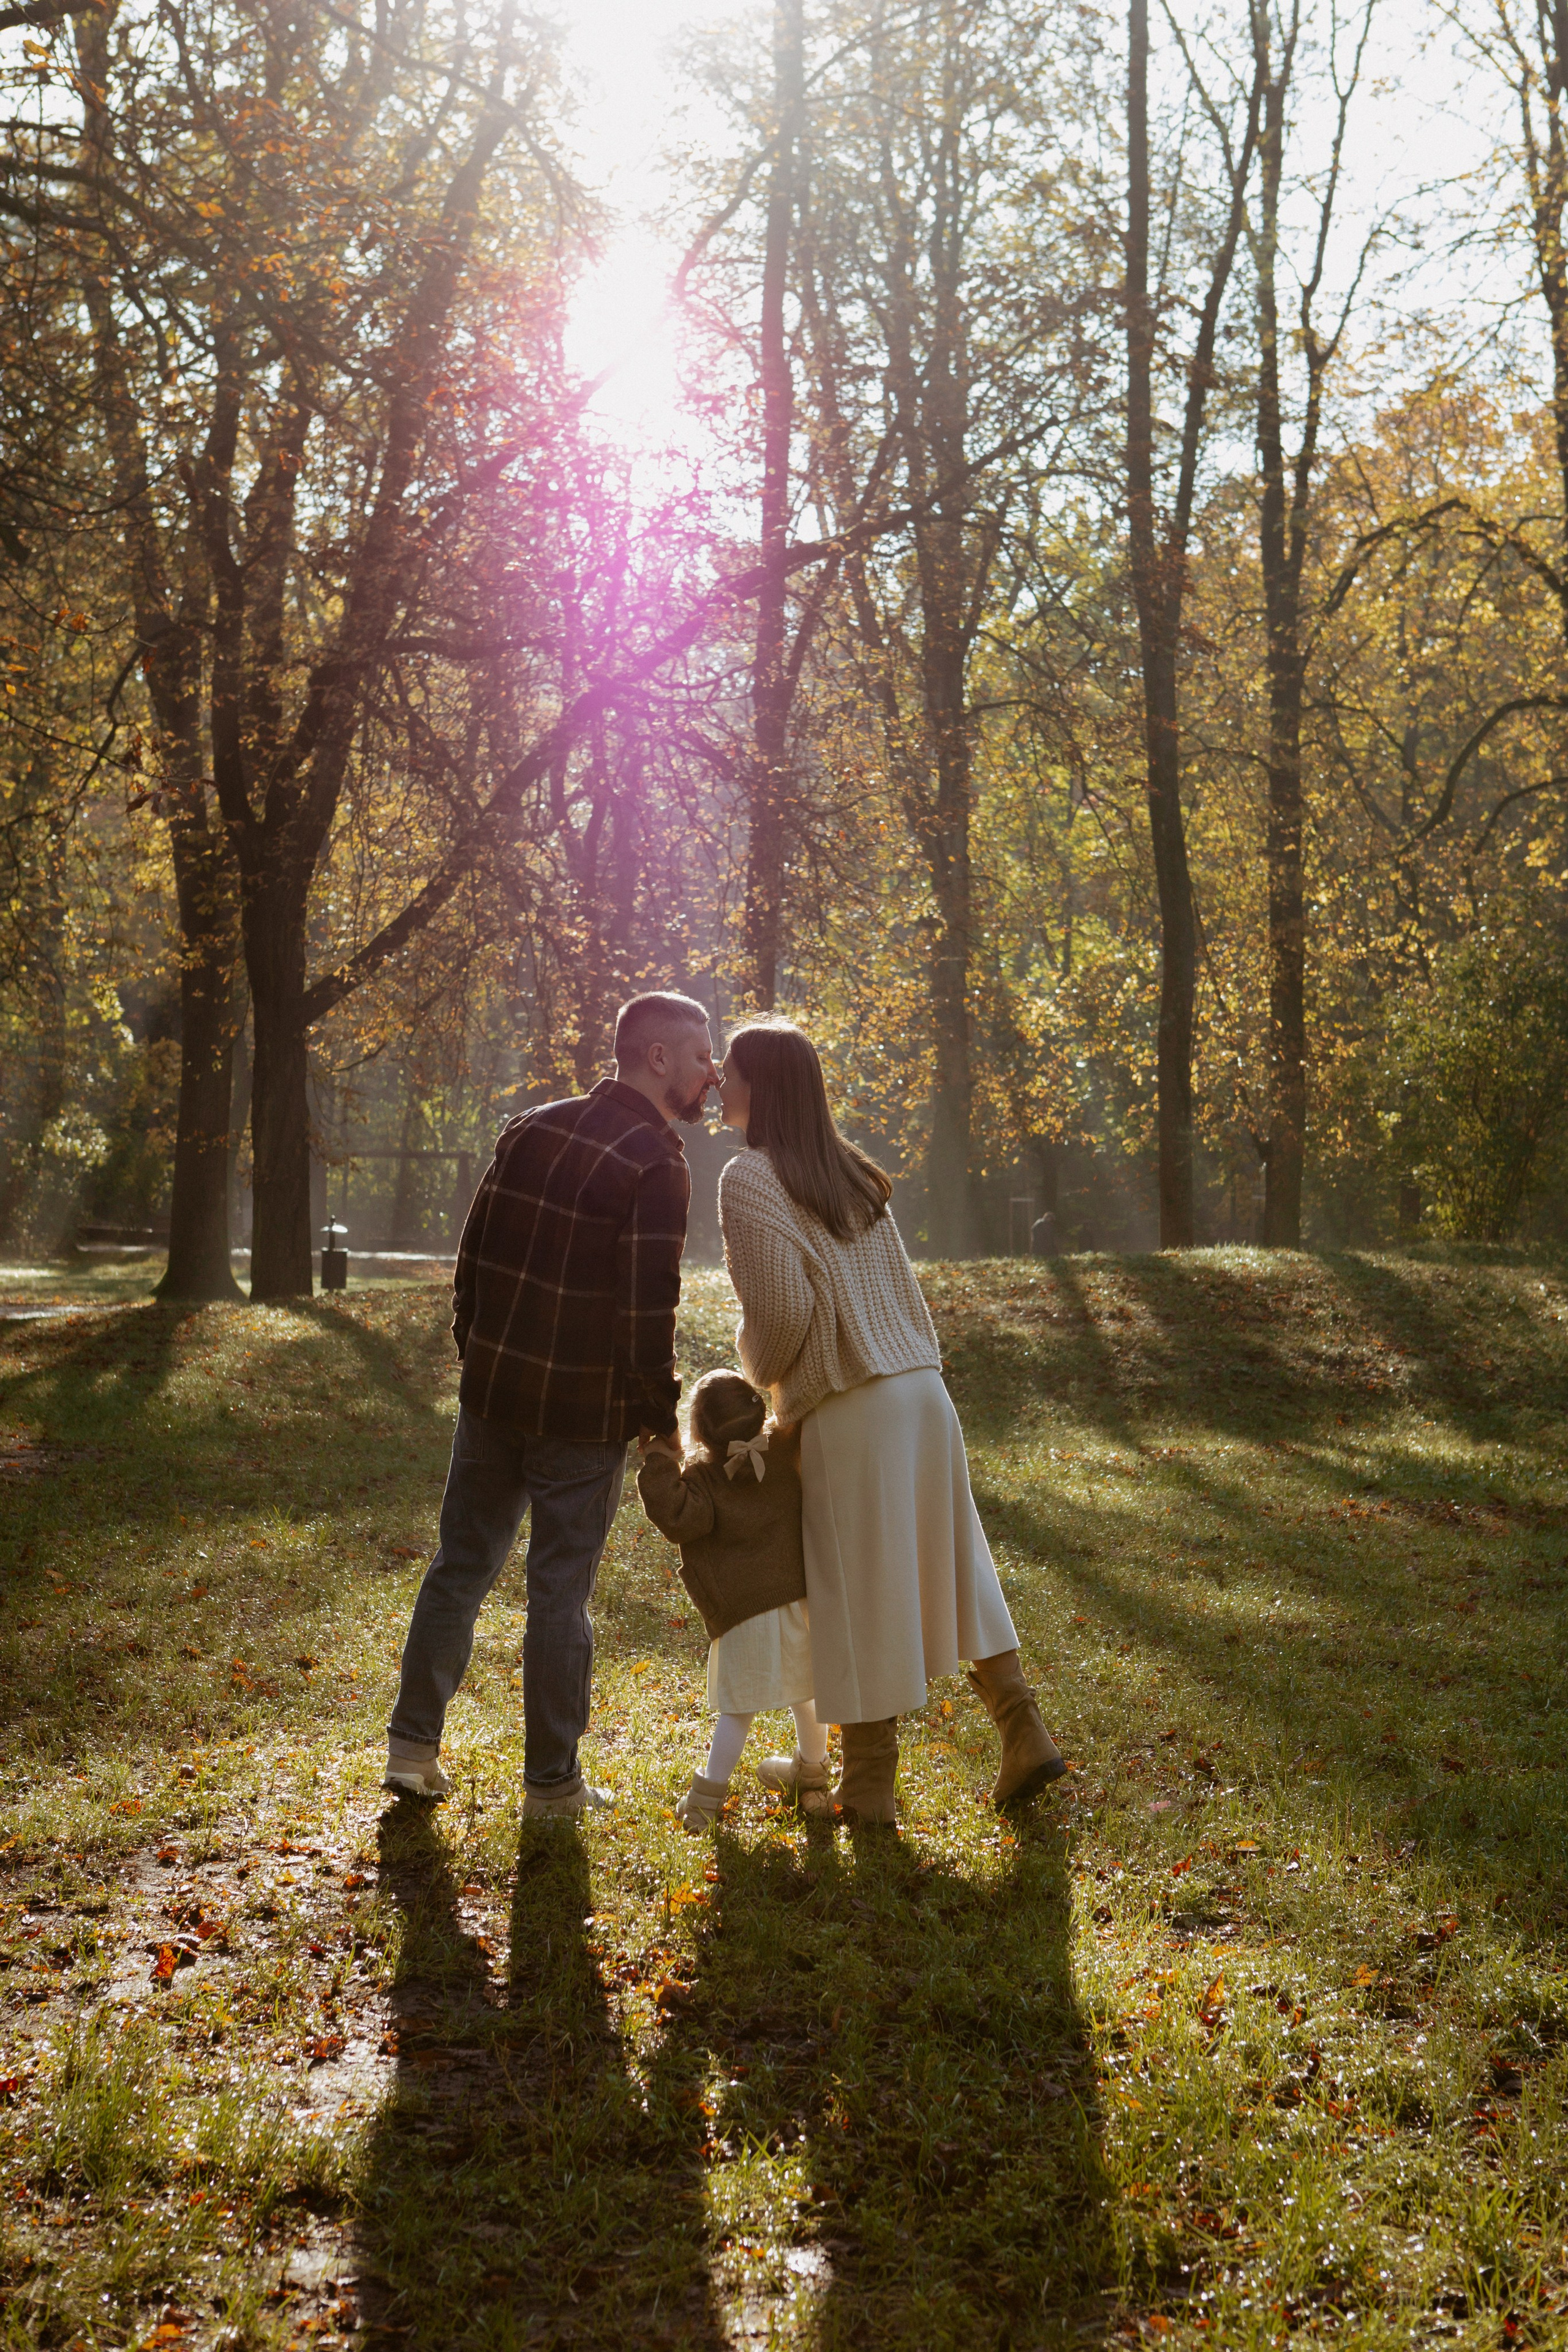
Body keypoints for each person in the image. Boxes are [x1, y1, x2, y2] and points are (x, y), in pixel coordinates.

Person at [715, 1020, 1067, 1823]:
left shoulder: (750, 1177)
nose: (719, 1084)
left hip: (853, 1407)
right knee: (956, 1564)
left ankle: (868, 1787)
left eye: (730, 1071)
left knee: (854, 1586)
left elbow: (780, 1315)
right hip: (920, 1394)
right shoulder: (847, 1172)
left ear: (761, 1085)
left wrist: (755, 1372)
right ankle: (1024, 1731)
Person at [382, 992, 718, 1817]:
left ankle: (411, 1749)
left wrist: (478, 1353)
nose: (715, 1071)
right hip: (579, 1416)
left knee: (459, 1568)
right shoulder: (656, 1163)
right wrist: (657, 1421)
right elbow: (649, 1310)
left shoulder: (534, 1126)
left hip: (494, 1395)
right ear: (657, 1057)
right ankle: (552, 1787)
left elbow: (473, 1257)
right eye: (703, 1054)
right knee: (558, 1595)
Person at [636, 1367, 829, 1831]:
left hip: (742, 1616)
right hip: (798, 1604)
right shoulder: (783, 1451)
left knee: (738, 1710)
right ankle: (815, 1781)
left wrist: (660, 1458)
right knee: (809, 1698)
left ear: (697, 1429)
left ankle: (705, 1802)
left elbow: (677, 1518)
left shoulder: (702, 1481)